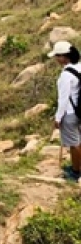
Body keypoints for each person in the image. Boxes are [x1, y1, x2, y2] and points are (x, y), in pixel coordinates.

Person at [49, 40, 81, 181]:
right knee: (78, 140)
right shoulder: (79, 67)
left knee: (74, 143)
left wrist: (57, 118)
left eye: (57, 56)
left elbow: (63, 99)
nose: (56, 59)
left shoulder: (65, 76)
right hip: (79, 110)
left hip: (69, 113)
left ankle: (75, 172)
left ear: (64, 57)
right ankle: (77, 166)